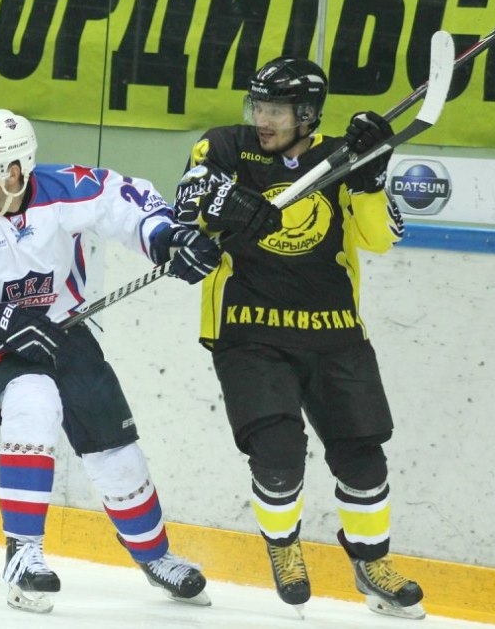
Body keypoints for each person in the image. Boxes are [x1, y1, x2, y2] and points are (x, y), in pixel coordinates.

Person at [0, 108, 220, 614]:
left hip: (62, 329)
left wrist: (167, 238)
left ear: (15, 171)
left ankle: (154, 555)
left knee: (114, 447)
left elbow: (125, 202)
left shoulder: (65, 189)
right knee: (34, 400)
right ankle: (23, 555)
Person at [173, 58, 426, 619]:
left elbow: (381, 239)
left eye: (276, 111)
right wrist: (230, 205)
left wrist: (370, 178)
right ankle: (284, 547)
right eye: (258, 106)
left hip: (334, 331)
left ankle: (371, 562)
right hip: (249, 330)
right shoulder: (225, 147)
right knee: (279, 454)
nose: (262, 120)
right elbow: (187, 206)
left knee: (363, 457)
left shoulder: (341, 157)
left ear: (307, 114)